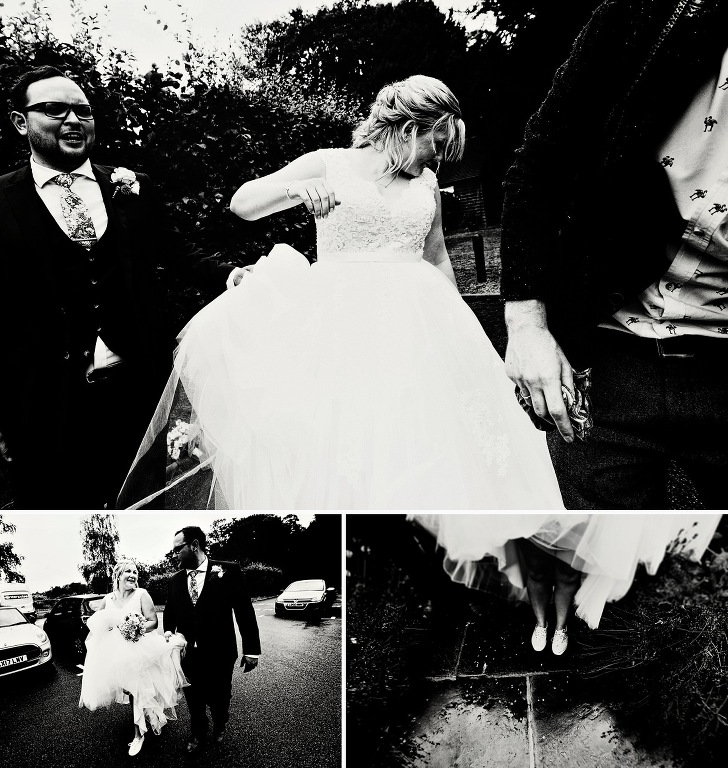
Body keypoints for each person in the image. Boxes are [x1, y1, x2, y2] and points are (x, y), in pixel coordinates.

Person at [119, 74, 564, 509]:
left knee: (429, 428)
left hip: (417, 321)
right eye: (436, 143)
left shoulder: (426, 182)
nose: (439, 159)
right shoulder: (329, 163)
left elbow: (436, 254)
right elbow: (242, 203)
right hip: (341, 324)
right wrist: (296, 188)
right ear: (407, 129)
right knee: (349, 432)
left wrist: (461, 328)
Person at [0, 65, 239, 509]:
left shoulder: (133, 187)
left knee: (145, 507)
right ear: (20, 122)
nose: (73, 121)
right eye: (54, 110)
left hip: (138, 396)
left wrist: (230, 276)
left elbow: (179, 254)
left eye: (83, 111)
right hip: (42, 407)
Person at [501, 0, 728, 509]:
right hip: (603, 357)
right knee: (597, 559)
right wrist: (527, 325)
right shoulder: (647, 14)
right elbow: (540, 165)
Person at [408, 513, 722, 653]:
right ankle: (541, 623)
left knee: (569, 573)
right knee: (538, 571)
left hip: (582, 515)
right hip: (538, 516)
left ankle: (561, 627)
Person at [163, 526, 260, 754]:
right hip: (188, 656)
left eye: (177, 549)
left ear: (194, 545)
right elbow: (169, 613)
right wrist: (169, 632)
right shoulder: (175, 581)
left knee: (220, 697)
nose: (173, 554)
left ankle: (220, 723)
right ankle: (198, 732)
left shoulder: (229, 571)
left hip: (220, 653)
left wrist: (252, 650)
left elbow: (245, 612)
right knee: (194, 700)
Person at [79, 559, 188, 757]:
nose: (133, 575)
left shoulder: (142, 594)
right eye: (128, 571)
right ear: (117, 575)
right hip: (116, 654)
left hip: (140, 650)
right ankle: (149, 714)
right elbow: (99, 624)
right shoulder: (108, 599)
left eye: (135, 572)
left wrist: (136, 628)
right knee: (132, 691)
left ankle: (138, 734)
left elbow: (153, 622)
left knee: (138, 691)